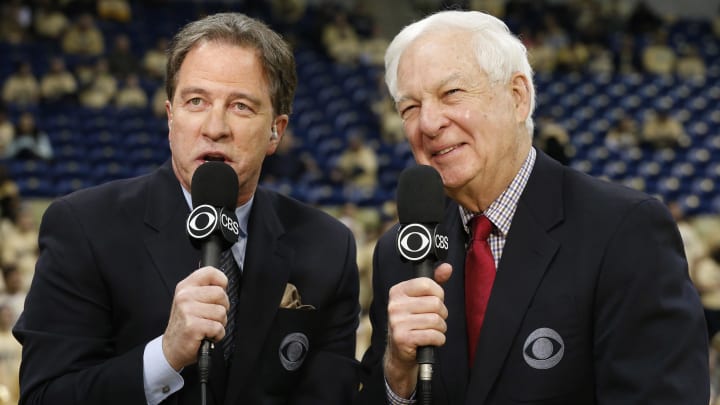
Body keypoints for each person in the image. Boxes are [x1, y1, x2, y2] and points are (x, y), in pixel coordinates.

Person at [356, 10, 709, 404]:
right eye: (410, 108)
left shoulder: (624, 231)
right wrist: (397, 375)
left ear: (517, 97)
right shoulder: (399, 254)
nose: (429, 123)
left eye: (451, 93)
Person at [14, 12, 360, 404]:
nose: (215, 127)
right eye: (196, 101)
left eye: (241, 106)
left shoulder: (328, 245)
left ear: (276, 130)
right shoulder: (84, 227)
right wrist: (165, 355)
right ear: (170, 117)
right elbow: (45, 396)